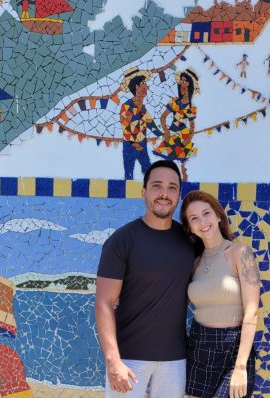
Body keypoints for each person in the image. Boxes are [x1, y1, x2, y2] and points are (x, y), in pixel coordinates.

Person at [95, 160, 195, 398]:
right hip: (128, 360)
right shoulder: (122, 240)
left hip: (175, 361)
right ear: (144, 192)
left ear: (179, 195)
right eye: (157, 186)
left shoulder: (190, 242)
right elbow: (104, 302)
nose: (164, 193)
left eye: (172, 188)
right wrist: (113, 361)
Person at [180, 190, 260, 398]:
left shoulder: (240, 253)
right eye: (194, 218)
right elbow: (174, 302)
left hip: (234, 348)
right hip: (199, 345)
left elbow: (252, 312)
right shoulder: (194, 262)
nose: (202, 222)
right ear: (190, 227)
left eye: (206, 213)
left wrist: (240, 367)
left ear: (218, 215)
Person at [153, 69, 199, 181]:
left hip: (184, 134)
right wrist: (166, 131)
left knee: (183, 163)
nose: (182, 84)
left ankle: (183, 181)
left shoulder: (191, 106)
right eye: (181, 81)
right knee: (168, 161)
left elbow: (192, 125)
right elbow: (163, 117)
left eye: (185, 81)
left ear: (190, 85)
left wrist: (189, 138)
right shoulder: (174, 101)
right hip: (172, 132)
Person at [119, 67, 163, 180]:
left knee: (147, 170)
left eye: (145, 83)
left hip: (142, 144)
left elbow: (150, 123)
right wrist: (134, 143)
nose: (146, 86)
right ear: (136, 87)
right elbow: (125, 127)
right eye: (143, 83)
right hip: (130, 146)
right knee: (129, 173)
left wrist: (161, 134)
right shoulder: (127, 106)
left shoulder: (142, 108)